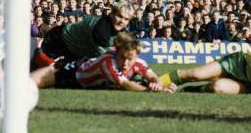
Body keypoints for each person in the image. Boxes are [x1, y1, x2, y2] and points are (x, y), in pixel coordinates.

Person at [31, 32, 176, 93]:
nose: (126, 62)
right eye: (122, 57)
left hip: (85, 70)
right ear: (117, 52)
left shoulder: (138, 61)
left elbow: (152, 76)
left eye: (129, 59)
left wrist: (157, 83)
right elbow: (125, 84)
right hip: (69, 75)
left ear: (136, 56)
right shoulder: (108, 62)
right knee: (29, 83)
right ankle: (38, 54)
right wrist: (153, 90)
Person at [32, 1, 135, 68]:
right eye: (120, 16)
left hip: (76, 51)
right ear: (111, 14)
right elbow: (108, 58)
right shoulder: (101, 29)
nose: (122, 21)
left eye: (126, 19)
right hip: (58, 40)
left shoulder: (120, 30)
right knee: (35, 69)